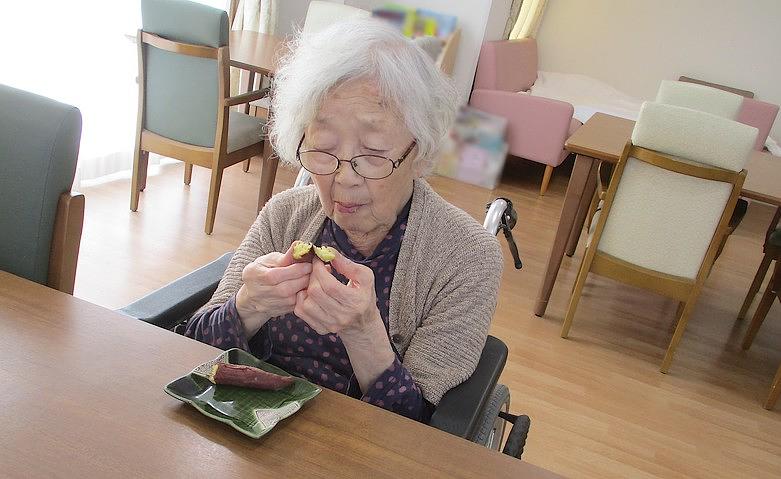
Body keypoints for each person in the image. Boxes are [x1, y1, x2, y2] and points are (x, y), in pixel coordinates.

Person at [183, 19, 503, 423]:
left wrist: (364, 332)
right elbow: (194, 351)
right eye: (323, 149)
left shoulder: (468, 257)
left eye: (372, 154)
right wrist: (248, 307)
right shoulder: (285, 215)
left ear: (420, 154)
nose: (343, 178)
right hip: (246, 424)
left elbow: (424, 431)